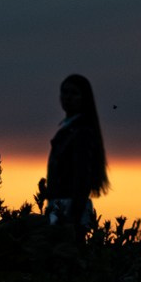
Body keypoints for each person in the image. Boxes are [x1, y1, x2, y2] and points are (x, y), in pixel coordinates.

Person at [44, 73, 109, 232]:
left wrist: (72, 215)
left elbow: (82, 177)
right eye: (64, 92)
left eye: (74, 93)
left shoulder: (81, 132)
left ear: (84, 98)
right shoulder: (68, 130)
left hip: (70, 209)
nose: (68, 97)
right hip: (61, 207)